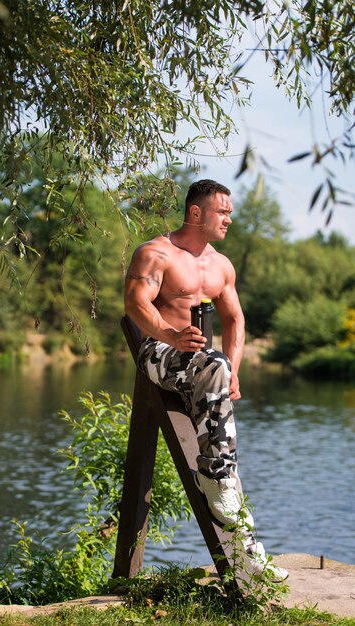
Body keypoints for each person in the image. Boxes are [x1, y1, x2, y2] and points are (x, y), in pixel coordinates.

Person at [124, 179, 288, 582]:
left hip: (205, 368)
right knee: (213, 371)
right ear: (196, 213)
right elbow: (134, 303)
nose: (229, 218)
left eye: (230, 211)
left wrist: (234, 369)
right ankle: (217, 478)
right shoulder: (155, 252)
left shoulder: (221, 264)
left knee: (219, 397)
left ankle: (250, 553)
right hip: (159, 355)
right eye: (223, 211)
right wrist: (170, 336)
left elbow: (235, 319)